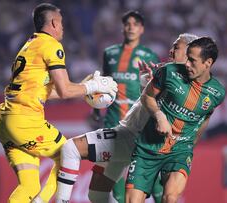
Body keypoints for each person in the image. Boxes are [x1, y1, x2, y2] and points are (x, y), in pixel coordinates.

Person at [54, 33, 198, 203]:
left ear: (190, 53)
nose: (171, 50)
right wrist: (147, 83)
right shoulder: (168, 72)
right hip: (129, 136)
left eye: (177, 47)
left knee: (71, 148)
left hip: (130, 138)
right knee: (96, 194)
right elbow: (149, 104)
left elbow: (166, 110)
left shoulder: (180, 81)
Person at [0, 3, 117, 203]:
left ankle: (36, 197)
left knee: (29, 186)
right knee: (69, 152)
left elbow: (45, 92)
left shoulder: (28, 46)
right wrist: (93, 86)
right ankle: (42, 200)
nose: (63, 28)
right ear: (53, 22)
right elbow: (65, 90)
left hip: (6, 123)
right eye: (61, 23)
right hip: (26, 121)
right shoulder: (51, 45)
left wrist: (81, 85)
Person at [125, 37, 225, 203]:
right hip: (148, 147)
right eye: (187, 58)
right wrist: (159, 115)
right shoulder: (169, 71)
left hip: (179, 151)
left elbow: (206, 115)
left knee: (170, 198)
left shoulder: (217, 92)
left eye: (192, 61)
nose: (187, 64)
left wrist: (193, 142)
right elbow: (147, 96)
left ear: (208, 63)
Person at [91, 10, 160, 203]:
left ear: (142, 29)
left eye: (135, 24)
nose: (131, 27)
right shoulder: (109, 52)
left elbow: (154, 88)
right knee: (116, 181)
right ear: (123, 27)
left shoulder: (149, 55)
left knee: (155, 185)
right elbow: (101, 83)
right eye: (127, 23)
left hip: (139, 124)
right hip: (113, 122)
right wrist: (95, 109)